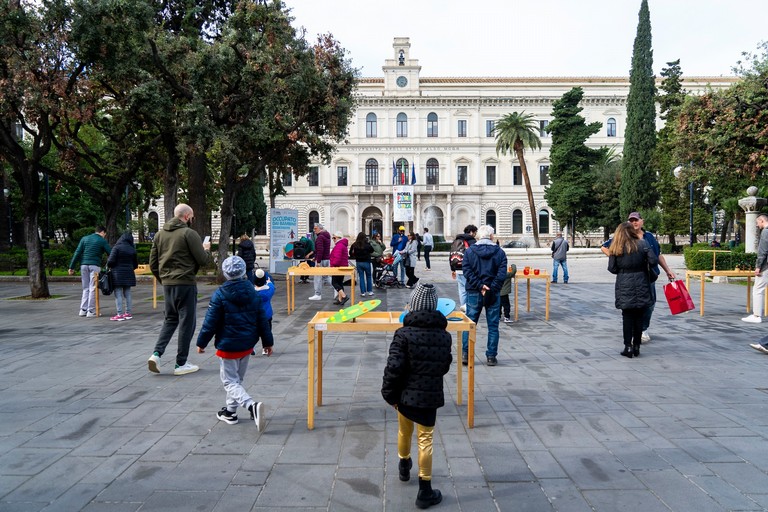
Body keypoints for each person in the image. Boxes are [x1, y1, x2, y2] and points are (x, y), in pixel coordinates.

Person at [381, 282, 451, 510]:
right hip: (429, 397)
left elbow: (394, 367)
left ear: (413, 306)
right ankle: (425, 490)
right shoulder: (444, 336)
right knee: (426, 440)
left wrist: (390, 395)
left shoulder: (403, 334)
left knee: (404, 430)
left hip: (405, 397)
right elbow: (444, 367)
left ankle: (403, 464)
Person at [196, 256, 272, 431]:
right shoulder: (253, 291)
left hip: (228, 344)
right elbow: (262, 318)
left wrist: (202, 342)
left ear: (225, 273)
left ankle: (251, 406)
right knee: (237, 379)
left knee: (230, 382)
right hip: (247, 344)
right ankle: (230, 411)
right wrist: (267, 342)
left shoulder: (220, 294)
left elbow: (210, 322)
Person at [147, 203, 212, 375]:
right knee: (187, 322)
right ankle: (180, 363)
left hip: (168, 284)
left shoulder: (160, 235)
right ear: (186, 216)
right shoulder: (189, 233)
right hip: (185, 283)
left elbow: (153, 263)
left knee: (170, 320)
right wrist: (207, 250)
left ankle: (156, 354)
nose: (192, 220)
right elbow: (203, 260)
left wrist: (164, 279)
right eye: (192, 217)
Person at [601, 212, 675, 343]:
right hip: (630, 276)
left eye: (636, 220)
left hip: (648, 275)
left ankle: (642, 329)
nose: (634, 223)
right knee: (630, 307)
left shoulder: (649, 237)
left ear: (642, 221)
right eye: (631, 220)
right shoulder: (623, 237)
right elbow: (605, 247)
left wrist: (668, 270)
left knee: (649, 304)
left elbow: (657, 255)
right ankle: (635, 335)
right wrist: (619, 259)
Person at [607, 222, 657, 358]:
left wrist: (623, 270)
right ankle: (637, 346)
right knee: (639, 314)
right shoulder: (642, 244)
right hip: (641, 281)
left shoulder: (616, 247)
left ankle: (627, 347)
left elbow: (612, 268)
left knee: (627, 316)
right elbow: (653, 261)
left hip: (624, 283)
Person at [461, 225, 507, 366]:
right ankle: (491, 356)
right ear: (491, 236)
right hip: (493, 293)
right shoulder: (500, 252)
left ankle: (466, 354)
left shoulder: (469, 252)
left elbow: (467, 271)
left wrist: (480, 286)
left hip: (474, 291)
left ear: (478, 236)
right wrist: (491, 288)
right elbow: (501, 273)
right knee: (493, 326)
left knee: (470, 324)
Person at [68, 226, 111, 318]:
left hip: (83, 265)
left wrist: (71, 267)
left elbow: (77, 253)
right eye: (104, 234)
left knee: (85, 288)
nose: (104, 236)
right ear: (102, 232)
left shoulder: (84, 239)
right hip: (94, 265)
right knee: (93, 288)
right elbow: (110, 253)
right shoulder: (102, 241)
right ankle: (91, 311)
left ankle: (82, 310)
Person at [107, 231, 138, 321]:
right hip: (129, 274)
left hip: (117, 274)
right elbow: (135, 264)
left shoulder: (116, 247)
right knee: (127, 293)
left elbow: (110, 261)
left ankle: (119, 314)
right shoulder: (132, 249)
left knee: (118, 293)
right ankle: (128, 313)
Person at [743, 213, 768, 324]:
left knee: (758, 289)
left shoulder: (765, 232)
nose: (757, 225)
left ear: (762, 221)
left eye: (757, 223)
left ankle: (756, 315)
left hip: (766, 266)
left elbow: (762, 251)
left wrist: (758, 266)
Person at [450, 224, 478, 312]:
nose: (475, 235)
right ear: (471, 232)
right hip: (468, 270)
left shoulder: (456, 240)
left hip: (457, 268)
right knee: (470, 290)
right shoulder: (472, 242)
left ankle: (463, 306)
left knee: (462, 290)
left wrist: (453, 269)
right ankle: (468, 309)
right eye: (475, 233)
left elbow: (451, 254)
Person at [253, 268, 276, 354]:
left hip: (254, 316)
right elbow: (271, 285)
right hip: (267, 315)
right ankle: (265, 348)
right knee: (267, 332)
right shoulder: (269, 290)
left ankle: (251, 347)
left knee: (254, 332)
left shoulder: (252, 292)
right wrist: (269, 281)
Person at [309, 223, 331, 301]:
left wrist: (318, 261)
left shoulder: (320, 237)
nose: (314, 230)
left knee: (317, 277)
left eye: (315, 229)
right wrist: (316, 257)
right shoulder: (327, 236)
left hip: (321, 260)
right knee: (326, 277)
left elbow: (320, 250)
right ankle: (338, 290)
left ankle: (317, 294)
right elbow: (323, 249)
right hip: (326, 259)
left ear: (320, 228)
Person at [349, 231, 375, 297]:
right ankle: (370, 291)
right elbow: (372, 250)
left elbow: (350, 252)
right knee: (369, 276)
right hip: (366, 261)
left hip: (359, 262)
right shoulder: (367, 244)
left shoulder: (355, 244)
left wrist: (355, 256)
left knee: (361, 277)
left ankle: (363, 292)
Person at [329, 231, 350, 306]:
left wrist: (333, 264)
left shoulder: (339, 246)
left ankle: (344, 296)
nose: (333, 239)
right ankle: (340, 299)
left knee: (334, 283)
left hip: (337, 267)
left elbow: (337, 258)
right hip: (342, 266)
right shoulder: (343, 245)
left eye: (334, 238)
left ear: (338, 238)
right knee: (340, 283)